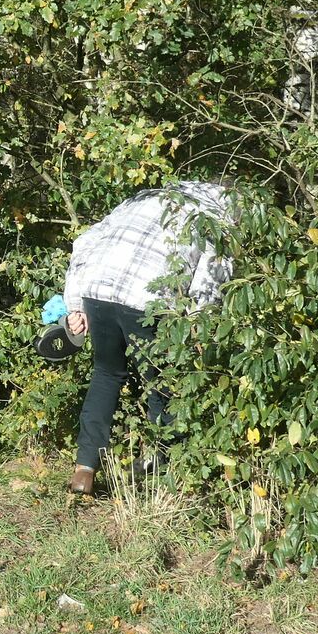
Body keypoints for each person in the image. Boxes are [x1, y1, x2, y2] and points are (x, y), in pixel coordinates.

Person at [61, 180, 233, 495]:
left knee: (106, 374)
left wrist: (74, 304)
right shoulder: (214, 215)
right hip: (149, 300)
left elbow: (85, 241)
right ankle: (164, 473)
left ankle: (84, 470)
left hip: (98, 288)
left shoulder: (143, 198)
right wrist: (197, 323)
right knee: (162, 383)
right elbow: (211, 275)